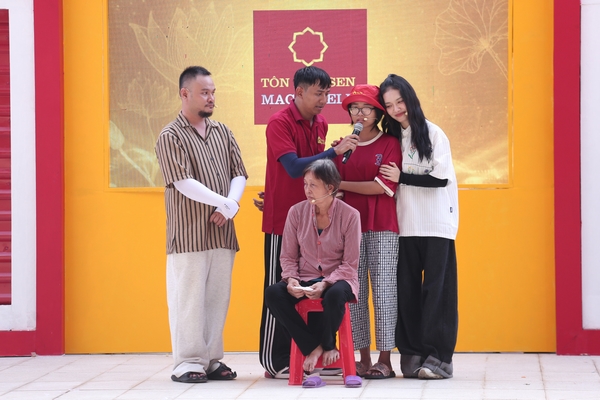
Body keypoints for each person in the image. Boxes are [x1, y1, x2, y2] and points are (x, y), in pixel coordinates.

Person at [258, 66, 359, 378]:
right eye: (318, 93)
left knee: (317, 288)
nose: (324, 99)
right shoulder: (279, 122)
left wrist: (334, 155)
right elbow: (293, 168)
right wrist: (334, 151)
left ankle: (315, 356)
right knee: (281, 287)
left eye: (327, 93)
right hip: (283, 220)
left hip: (315, 215)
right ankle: (276, 360)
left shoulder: (321, 123)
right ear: (299, 92)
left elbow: (317, 170)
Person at [155, 66, 247, 383]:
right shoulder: (170, 135)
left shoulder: (223, 132)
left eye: (213, 92)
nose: (211, 98)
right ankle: (187, 362)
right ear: (185, 94)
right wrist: (224, 203)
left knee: (216, 299)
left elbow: (238, 173)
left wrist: (230, 205)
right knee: (188, 299)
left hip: (222, 230)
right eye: (204, 92)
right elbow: (182, 181)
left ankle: (210, 360)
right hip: (189, 233)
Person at [378, 74, 459, 379]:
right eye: (389, 105)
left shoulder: (434, 134)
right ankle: (412, 353)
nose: (396, 109)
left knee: (437, 293)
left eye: (400, 101)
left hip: (437, 225)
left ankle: (439, 359)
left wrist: (403, 177)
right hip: (404, 226)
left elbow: (440, 179)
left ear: (410, 98)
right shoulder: (391, 140)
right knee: (407, 293)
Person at [264, 159, 361, 380]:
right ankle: (312, 346)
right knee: (273, 293)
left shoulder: (350, 215)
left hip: (338, 279)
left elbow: (350, 264)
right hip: (305, 277)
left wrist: (326, 283)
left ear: (330, 187)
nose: (307, 190)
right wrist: (291, 280)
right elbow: (288, 256)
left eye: (313, 185)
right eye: (305, 184)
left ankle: (327, 344)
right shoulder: (296, 212)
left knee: (335, 295)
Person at [333, 84, 401, 379]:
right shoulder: (341, 146)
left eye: (366, 108)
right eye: (354, 108)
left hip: (382, 225)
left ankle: (385, 360)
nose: (359, 113)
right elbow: (332, 191)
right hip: (349, 229)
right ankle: (361, 358)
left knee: (384, 290)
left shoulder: (389, 144)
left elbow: (382, 187)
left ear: (378, 113)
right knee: (354, 291)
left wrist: (341, 184)